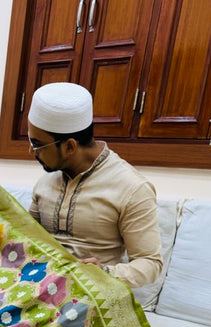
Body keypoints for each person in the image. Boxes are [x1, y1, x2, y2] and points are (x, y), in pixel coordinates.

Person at [18, 82, 162, 289]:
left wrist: (104, 273)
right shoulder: (46, 180)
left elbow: (150, 263)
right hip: (36, 288)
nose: (31, 151)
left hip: (91, 295)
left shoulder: (132, 188)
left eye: (37, 144)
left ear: (69, 147)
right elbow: (24, 235)